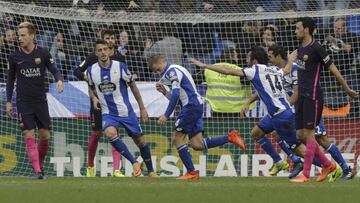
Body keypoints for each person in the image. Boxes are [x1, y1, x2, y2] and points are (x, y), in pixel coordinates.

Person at [191, 46, 342, 182]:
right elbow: (287, 70)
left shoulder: (254, 70)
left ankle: (329, 167)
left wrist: (205, 65)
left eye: (248, 57)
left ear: (254, 60)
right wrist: (290, 59)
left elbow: (229, 71)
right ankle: (324, 166)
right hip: (286, 112)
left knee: (299, 148)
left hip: (280, 115)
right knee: (294, 140)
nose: (246, 59)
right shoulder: (274, 70)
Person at [148, 54, 247, 180]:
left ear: (162, 61)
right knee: (197, 144)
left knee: (177, 136)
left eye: (158, 69)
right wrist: (165, 93)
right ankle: (230, 137)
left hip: (191, 105)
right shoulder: (171, 73)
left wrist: (166, 115)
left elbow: (177, 94)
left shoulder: (172, 71)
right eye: (155, 71)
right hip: (194, 105)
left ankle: (192, 172)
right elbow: (178, 97)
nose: (157, 72)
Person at [268, 44, 355, 180]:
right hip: (296, 111)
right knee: (296, 137)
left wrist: (286, 107)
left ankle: (345, 169)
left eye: (270, 57)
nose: (269, 60)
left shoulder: (294, 69)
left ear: (278, 56)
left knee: (322, 140)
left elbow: (298, 92)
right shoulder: (278, 72)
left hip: (308, 106)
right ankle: (320, 165)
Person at [287, 17, 358, 182]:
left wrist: (347, 88)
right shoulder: (300, 48)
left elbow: (333, 69)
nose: (295, 31)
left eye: (298, 28)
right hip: (301, 97)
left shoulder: (317, 48)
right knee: (300, 134)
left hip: (313, 96)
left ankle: (305, 175)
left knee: (312, 136)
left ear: (306, 29)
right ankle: (328, 165)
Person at [86, 39, 158, 178]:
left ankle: (151, 171)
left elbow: (133, 87)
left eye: (105, 49)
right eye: (99, 50)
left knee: (140, 141)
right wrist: (94, 98)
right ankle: (134, 163)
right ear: (96, 53)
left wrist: (142, 108)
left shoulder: (120, 67)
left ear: (109, 50)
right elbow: (90, 87)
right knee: (109, 133)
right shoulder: (91, 71)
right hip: (108, 113)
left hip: (126, 112)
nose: (103, 52)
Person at [6, 22, 64, 179]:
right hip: (23, 101)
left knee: (45, 136)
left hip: (40, 100)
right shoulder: (14, 56)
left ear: (32, 35)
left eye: (23, 35)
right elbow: (10, 80)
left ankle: (40, 165)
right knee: (28, 134)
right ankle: (37, 171)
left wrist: (59, 80)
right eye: (19, 35)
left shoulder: (43, 53)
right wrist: (8, 102)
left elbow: (54, 70)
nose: (20, 38)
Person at [74, 29, 125, 177]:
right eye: (107, 38)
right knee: (96, 134)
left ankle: (116, 169)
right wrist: (90, 80)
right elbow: (77, 71)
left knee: (115, 134)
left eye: (112, 38)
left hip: (114, 103)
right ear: (102, 41)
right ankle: (90, 167)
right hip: (97, 101)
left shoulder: (120, 58)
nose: (109, 41)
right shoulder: (93, 57)